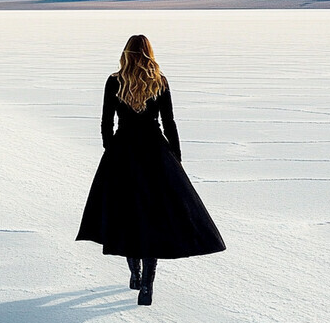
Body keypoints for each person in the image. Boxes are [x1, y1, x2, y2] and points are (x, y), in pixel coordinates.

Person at [75, 34, 226, 305]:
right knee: (152, 219)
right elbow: (169, 122)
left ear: (126, 52)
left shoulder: (114, 81)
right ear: (149, 53)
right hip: (155, 153)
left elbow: (106, 121)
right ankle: (147, 287)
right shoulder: (159, 81)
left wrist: (111, 151)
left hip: (123, 153)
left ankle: (135, 274)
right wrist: (175, 158)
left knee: (127, 216)